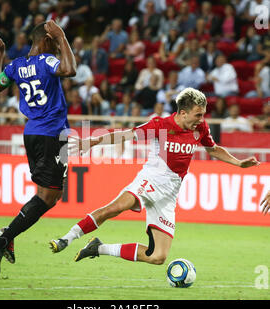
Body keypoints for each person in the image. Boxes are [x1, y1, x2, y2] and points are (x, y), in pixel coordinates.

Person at [49, 87, 260, 266]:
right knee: (115, 208)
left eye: (203, 114)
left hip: (169, 193)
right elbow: (126, 134)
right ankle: (67, 238)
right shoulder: (160, 126)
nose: (201, 119)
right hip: (151, 179)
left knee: (158, 257)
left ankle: (98, 248)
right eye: (198, 114)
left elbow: (213, 149)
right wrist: (94, 141)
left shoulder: (200, 128)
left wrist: (239, 163)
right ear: (183, 112)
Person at [0, 20, 76, 277]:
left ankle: (8, 237)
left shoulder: (15, 65)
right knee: (49, 197)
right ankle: (3, 239)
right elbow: (70, 70)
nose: (58, 45)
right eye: (55, 41)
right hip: (52, 134)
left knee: (51, 195)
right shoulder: (46, 61)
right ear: (46, 40)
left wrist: (0, 55)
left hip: (34, 132)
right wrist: (62, 36)